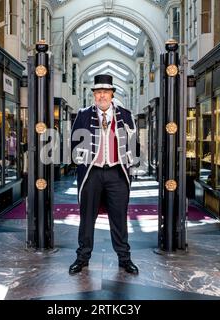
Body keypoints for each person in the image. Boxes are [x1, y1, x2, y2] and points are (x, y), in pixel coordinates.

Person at [69, 74, 139, 275]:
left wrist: (131, 165)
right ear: (94, 95)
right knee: (87, 218)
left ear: (112, 94)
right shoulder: (83, 115)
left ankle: (124, 259)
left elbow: (134, 144)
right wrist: (81, 161)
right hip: (92, 173)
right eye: (98, 92)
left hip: (117, 173)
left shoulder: (125, 115)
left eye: (105, 92)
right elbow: (74, 142)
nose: (102, 96)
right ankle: (82, 258)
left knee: (119, 218)